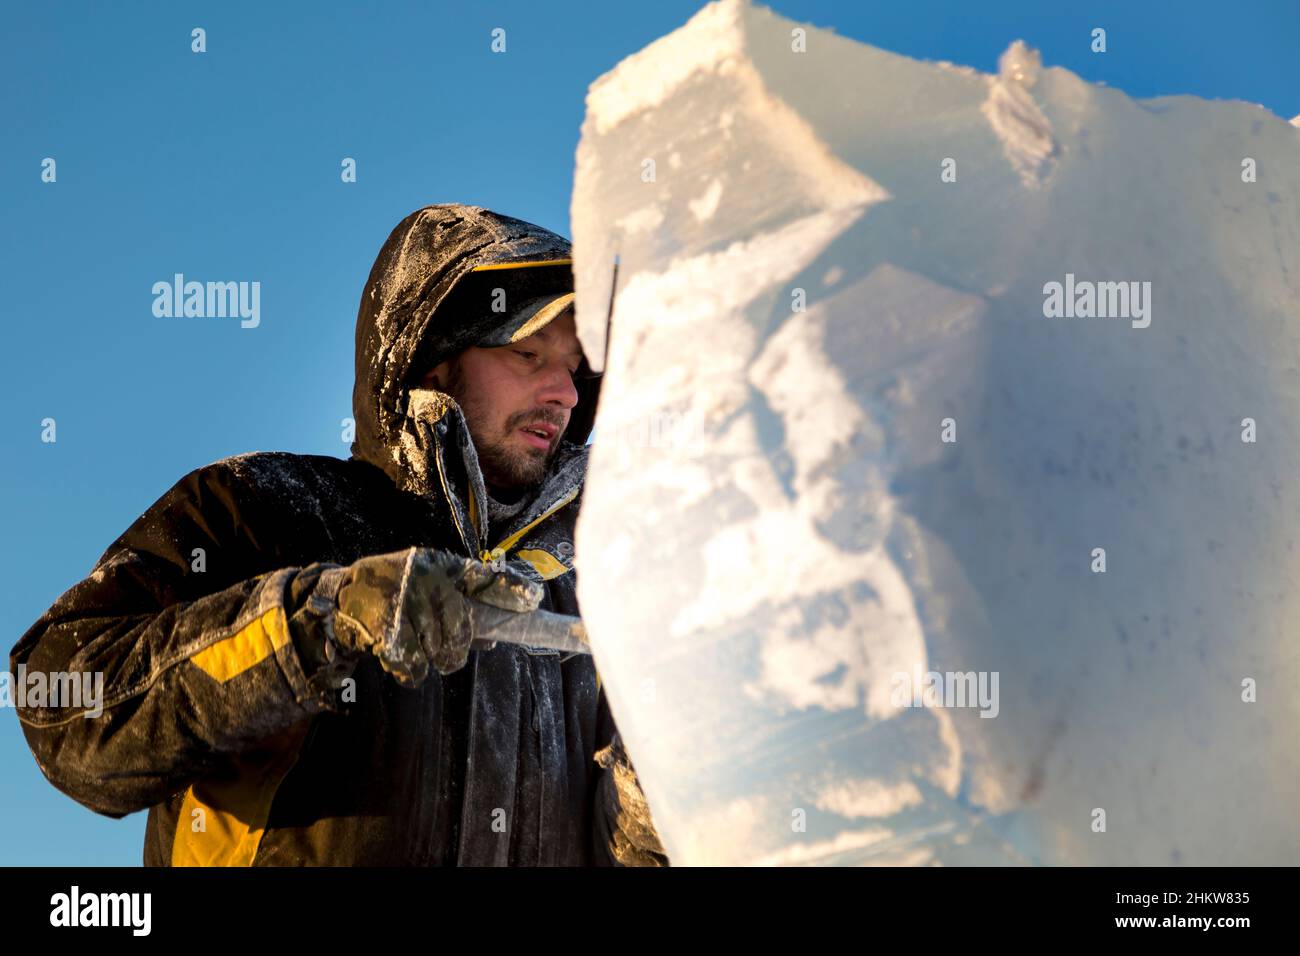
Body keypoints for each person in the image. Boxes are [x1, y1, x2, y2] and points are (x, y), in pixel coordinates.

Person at [9, 203, 668, 867]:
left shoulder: (588, 599)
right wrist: (321, 618)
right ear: (432, 362)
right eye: (528, 353)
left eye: (577, 367)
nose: (566, 393)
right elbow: (61, 704)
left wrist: (668, 797)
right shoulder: (262, 510)